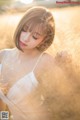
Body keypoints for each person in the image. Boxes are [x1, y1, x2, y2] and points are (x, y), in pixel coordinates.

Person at [0, 6, 65, 120]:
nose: (25, 38)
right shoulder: (3, 55)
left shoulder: (45, 61)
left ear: (43, 40)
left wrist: (65, 65)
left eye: (35, 36)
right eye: (24, 30)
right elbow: (2, 105)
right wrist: (4, 118)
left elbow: (65, 95)